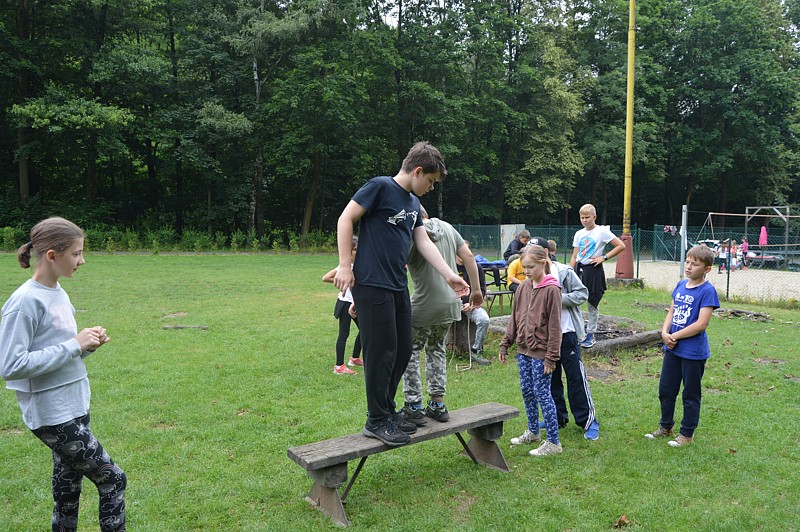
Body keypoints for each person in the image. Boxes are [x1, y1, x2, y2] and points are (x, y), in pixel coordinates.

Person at [334, 141, 470, 447]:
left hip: (398, 285)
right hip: (372, 283)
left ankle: (388, 411)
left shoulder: (412, 203)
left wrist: (449, 274)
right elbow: (345, 218)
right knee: (380, 352)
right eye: (431, 181)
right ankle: (376, 419)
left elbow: (423, 242)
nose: (431, 188)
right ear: (418, 171)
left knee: (402, 349)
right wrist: (344, 264)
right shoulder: (380, 187)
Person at [0, 217, 126, 531]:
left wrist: (87, 345)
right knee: (112, 478)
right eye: (76, 253)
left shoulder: (58, 292)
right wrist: (74, 345)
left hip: (75, 404)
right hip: (52, 413)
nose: (82, 260)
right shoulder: (24, 303)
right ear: (52, 255)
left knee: (67, 492)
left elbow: (61, 350)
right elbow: (11, 365)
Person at [400, 209, 483, 426]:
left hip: (423, 304)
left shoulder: (411, 232)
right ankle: (437, 404)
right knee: (436, 348)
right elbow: (468, 257)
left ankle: (414, 406)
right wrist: (476, 290)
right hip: (450, 303)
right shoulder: (447, 227)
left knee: (411, 352)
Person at [645, 245, 719, 447]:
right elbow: (671, 311)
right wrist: (664, 332)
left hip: (693, 352)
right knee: (666, 390)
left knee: (690, 394)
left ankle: (687, 434)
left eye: (695, 264)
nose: (688, 267)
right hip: (672, 349)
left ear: (707, 269)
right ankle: (666, 427)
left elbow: (701, 324)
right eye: (687, 262)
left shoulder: (708, 291)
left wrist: (674, 336)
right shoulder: (680, 285)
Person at [499, 245, 563, 457]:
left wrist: (551, 358)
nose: (526, 271)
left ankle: (553, 442)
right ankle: (533, 432)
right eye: (523, 267)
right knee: (527, 390)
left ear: (542, 264)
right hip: (523, 351)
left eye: (530, 267)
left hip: (542, 353)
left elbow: (555, 327)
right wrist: (505, 344)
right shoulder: (523, 288)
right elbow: (514, 318)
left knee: (542, 393)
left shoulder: (552, 290)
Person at [541, 238, 601, 440]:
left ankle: (588, 421)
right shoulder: (531, 275)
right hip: (545, 337)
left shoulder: (564, 272)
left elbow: (582, 293)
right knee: (550, 378)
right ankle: (557, 418)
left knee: (576, 377)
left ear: (546, 253)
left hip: (567, 333)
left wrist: (558, 298)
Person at [569, 204, 625, 349]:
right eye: (582, 217)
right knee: (574, 301)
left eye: (587, 217)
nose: (584, 220)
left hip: (593, 270)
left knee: (592, 302)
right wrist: (569, 271)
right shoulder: (579, 233)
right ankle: (577, 333)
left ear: (594, 217)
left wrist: (604, 257)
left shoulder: (602, 231)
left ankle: (591, 334)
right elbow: (575, 255)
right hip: (579, 269)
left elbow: (620, 246)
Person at [322, 236, 362, 375]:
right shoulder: (345, 267)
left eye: (359, 249)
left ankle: (355, 358)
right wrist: (342, 281)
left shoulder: (360, 265)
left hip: (356, 304)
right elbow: (325, 277)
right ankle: (339, 366)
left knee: (365, 330)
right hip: (345, 303)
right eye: (354, 249)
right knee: (344, 334)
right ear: (349, 251)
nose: (357, 252)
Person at [456, 241, 492, 366]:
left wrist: (472, 304)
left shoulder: (476, 267)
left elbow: (482, 290)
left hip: (472, 305)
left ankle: (476, 351)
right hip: (451, 304)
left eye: (466, 250)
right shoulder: (449, 267)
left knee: (484, 320)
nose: (463, 254)